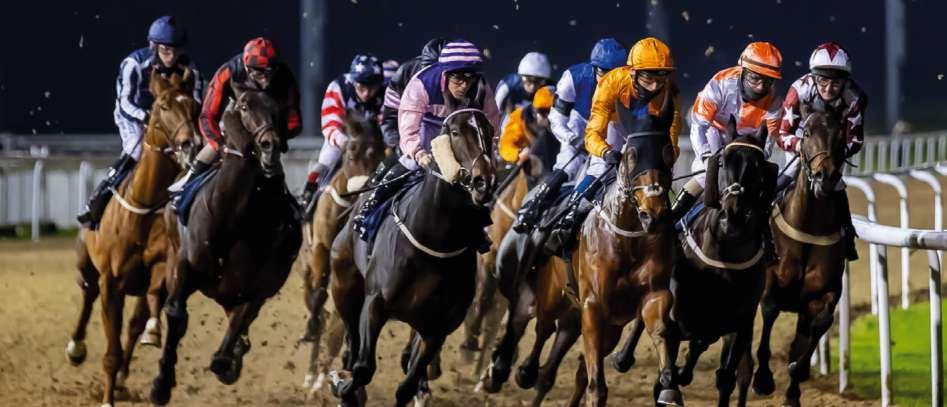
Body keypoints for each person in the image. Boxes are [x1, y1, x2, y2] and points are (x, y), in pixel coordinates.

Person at [351, 40, 501, 250]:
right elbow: (408, 127)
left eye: (469, 78)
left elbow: (491, 122)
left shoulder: (481, 87)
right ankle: (370, 208)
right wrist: (418, 152)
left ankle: (478, 226)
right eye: (458, 78)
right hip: (426, 123)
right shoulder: (421, 84)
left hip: (460, 128)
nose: (464, 85)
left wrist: (489, 153)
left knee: (473, 173)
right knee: (409, 162)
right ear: (445, 73)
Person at [546, 37, 682, 251]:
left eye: (661, 77)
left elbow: (671, 131)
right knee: (601, 167)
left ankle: (673, 233)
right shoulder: (611, 82)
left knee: (658, 170)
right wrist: (605, 152)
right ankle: (570, 218)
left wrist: (669, 155)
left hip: (643, 132)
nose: (655, 86)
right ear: (633, 72)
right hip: (613, 125)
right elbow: (592, 133)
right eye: (648, 78)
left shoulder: (669, 91)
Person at [77, 16, 203, 225]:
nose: (171, 57)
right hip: (134, 116)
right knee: (135, 150)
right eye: (166, 50)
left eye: (176, 50)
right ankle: (98, 199)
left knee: (194, 149)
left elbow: (197, 102)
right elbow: (125, 103)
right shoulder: (134, 64)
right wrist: (147, 118)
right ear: (154, 46)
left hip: (172, 119)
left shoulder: (190, 69)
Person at [512, 38, 628, 233]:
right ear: (593, 68)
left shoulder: (630, 84)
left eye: (616, 74)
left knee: (601, 168)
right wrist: (572, 139)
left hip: (608, 126)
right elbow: (556, 120)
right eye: (604, 73)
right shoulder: (573, 78)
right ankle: (533, 208)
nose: (610, 81)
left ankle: (573, 212)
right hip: (579, 125)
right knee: (568, 165)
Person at [170, 37, 301, 191]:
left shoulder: (284, 76)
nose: (266, 80)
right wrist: (219, 145)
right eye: (260, 73)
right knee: (220, 138)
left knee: (272, 155)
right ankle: (187, 184)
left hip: (266, 124)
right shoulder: (228, 72)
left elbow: (294, 120)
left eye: (271, 71)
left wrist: (278, 137)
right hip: (234, 115)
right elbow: (207, 116)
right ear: (247, 68)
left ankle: (286, 198)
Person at [671, 41, 784, 221]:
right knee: (705, 171)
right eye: (755, 78)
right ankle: (673, 218)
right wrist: (706, 157)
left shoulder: (775, 103)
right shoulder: (719, 84)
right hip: (715, 132)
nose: (761, 87)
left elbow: (767, 145)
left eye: (768, 80)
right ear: (742, 70)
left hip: (747, 142)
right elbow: (699, 125)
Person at [776, 42, 867, 260]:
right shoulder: (799, 90)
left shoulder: (856, 98)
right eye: (823, 81)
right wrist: (802, 147)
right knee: (788, 177)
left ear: (845, 81)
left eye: (836, 83)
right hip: (803, 139)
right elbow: (783, 133)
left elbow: (855, 139)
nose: (828, 89)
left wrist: (834, 152)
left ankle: (847, 236)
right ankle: (763, 232)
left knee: (835, 183)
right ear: (813, 77)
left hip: (833, 145)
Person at [299, 54, 385, 208]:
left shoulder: (385, 92)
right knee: (326, 160)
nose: (366, 93)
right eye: (361, 87)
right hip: (343, 138)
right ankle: (308, 198)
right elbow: (330, 124)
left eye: (372, 88)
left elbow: (384, 125)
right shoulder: (339, 87)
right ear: (354, 82)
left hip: (371, 142)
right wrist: (345, 142)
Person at [380, 39, 446, 152]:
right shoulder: (405, 74)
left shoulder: (466, 80)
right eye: (431, 71)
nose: (436, 77)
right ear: (422, 65)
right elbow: (390, 116)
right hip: (414, 130)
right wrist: (397, 143)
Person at [497, 86, 556, 170]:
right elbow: (505, 146)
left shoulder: (561, 120)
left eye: (554, 113)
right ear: (535, 111)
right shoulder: (518, 118)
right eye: (545, 113)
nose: (550, 117)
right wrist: (519, 153)